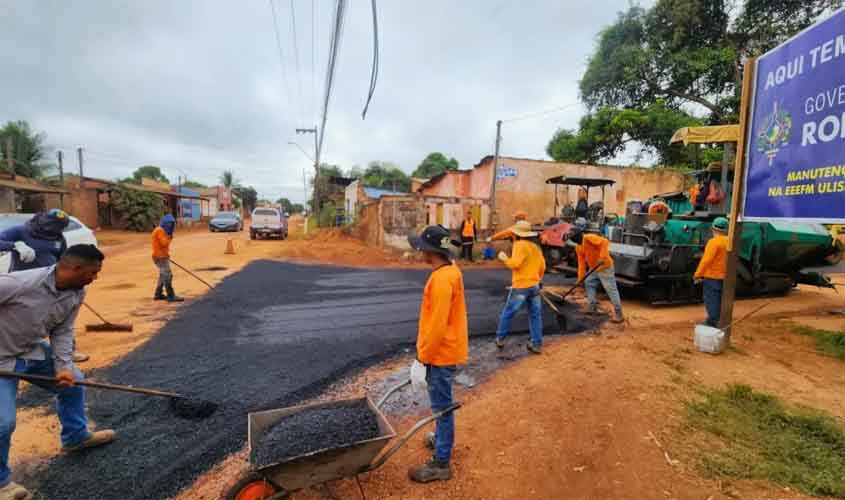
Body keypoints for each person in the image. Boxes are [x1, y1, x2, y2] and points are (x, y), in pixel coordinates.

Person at [0, 245, 116, 500]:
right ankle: (1, 484)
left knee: (74, 382)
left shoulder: (76, 292)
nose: (95, 277)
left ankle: (76, 436)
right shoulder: (18, 284)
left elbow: (62, 331)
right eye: (93, 272)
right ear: (75, 268)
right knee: (2, 422)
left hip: (29, 350)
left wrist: (63, 368)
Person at [406, 225, 469, 483]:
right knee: (441, 406)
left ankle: (441, 463)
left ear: (429, 251)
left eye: (421, 247)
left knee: (442, 408)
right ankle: (441, 439)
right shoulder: (450, 271)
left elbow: (437, 326)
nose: (418, 250)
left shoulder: (442, 280)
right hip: (446, 349)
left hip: (440, 354)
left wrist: (423, 359)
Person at [0, 210, 89, 364]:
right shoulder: (21, 231)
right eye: (52, 225)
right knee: (21, 321)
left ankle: (67, 354)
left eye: (59, 227)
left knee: (61, 319)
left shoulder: (59, 238)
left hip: (53, 285)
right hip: (25, 286)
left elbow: (63, 258)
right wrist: (15, 245)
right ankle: (14, 354)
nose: (53, 229)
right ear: (43, 220)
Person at [495, 220, 546, 354]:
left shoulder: (519, 245)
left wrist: (504, 258)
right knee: (535, 315)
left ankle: (500, 339)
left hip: (521, 286)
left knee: (508, 312)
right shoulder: (536, 247)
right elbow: (542, 267)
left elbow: (515, 264)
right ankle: (536, 343)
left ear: (516, 234)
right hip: (534, 286)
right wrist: (538, 280)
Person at [567, 227, 624, 323]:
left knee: (610, 289)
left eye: (572, 236)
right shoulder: (578, 247)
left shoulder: (589, 238)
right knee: (588, 282)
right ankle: (592, 306)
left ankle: (619, 314)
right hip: (594, 268)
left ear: (578, 235)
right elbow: (581, 264)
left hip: (605, 267)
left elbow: (605, 242)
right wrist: (580, 279)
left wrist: (602, 257)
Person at [694, 217, 729, 327]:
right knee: (720, 300)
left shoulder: (713, 242)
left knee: (712, 300)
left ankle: (712, 322)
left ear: (713, 229)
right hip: (726, 277)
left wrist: (697, 274)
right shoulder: (730, 241)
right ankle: (720, 321)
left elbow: (706, 260)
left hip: (712, 277)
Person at [151, 214, 183, 302]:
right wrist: (170, 237)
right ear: (166, 223)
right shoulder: (160, 231)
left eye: (172, 225)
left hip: (162, 256)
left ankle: (158, 294)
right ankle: (171, 295)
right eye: (170, 224)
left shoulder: (161, 230)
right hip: (160, 257)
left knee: (163, 275)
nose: (171, 227)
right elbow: (164, 243)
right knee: (168, 275)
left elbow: (164, 246)